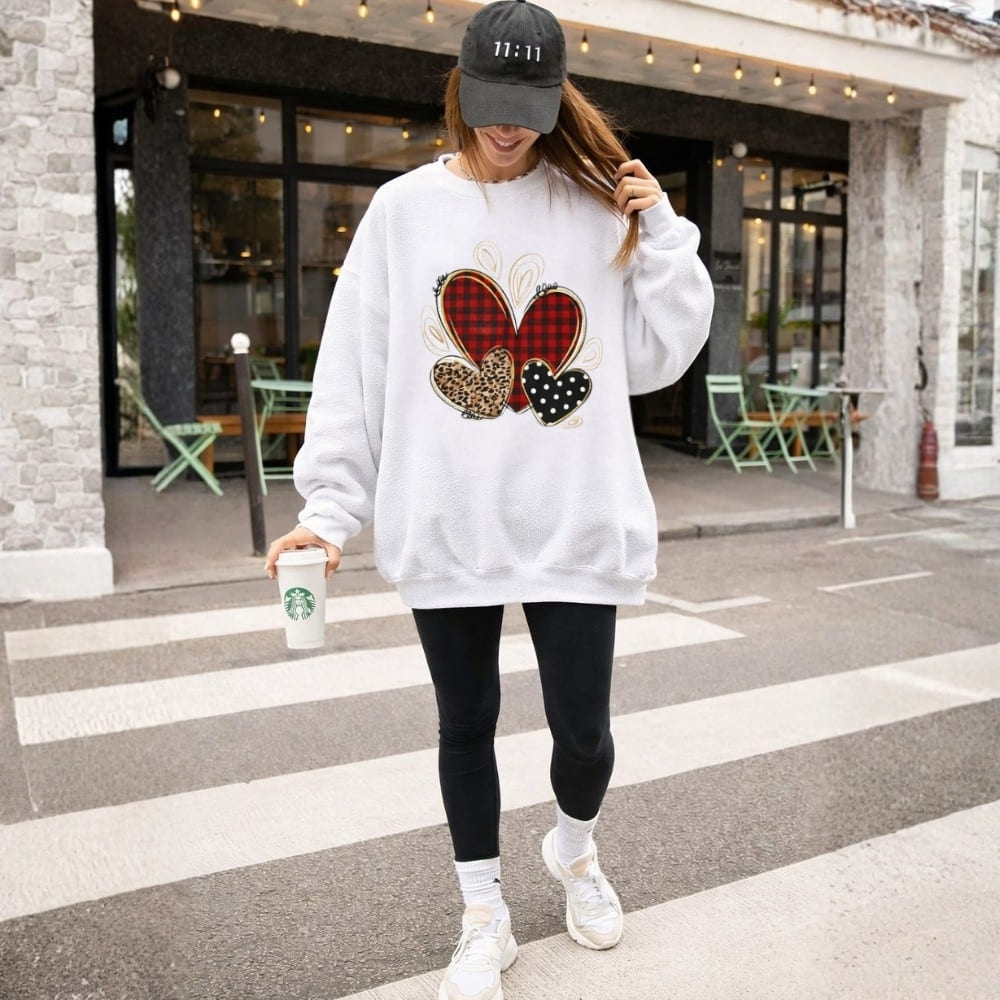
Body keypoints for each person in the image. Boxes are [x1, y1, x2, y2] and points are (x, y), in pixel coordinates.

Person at [265, 2, 714, 996]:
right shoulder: (404, 212)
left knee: (584, 732)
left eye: (529, 106)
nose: (508, 126)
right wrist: (330, 509)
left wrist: (663, 234)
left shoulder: (594, 206)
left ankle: (575, 851)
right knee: (464, 720)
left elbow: (649, 359)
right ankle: (483, 913)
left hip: (572, 510)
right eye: (491, 103)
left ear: (556, 99)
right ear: (459, 87)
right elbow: (356, 367)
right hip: (448, 513)